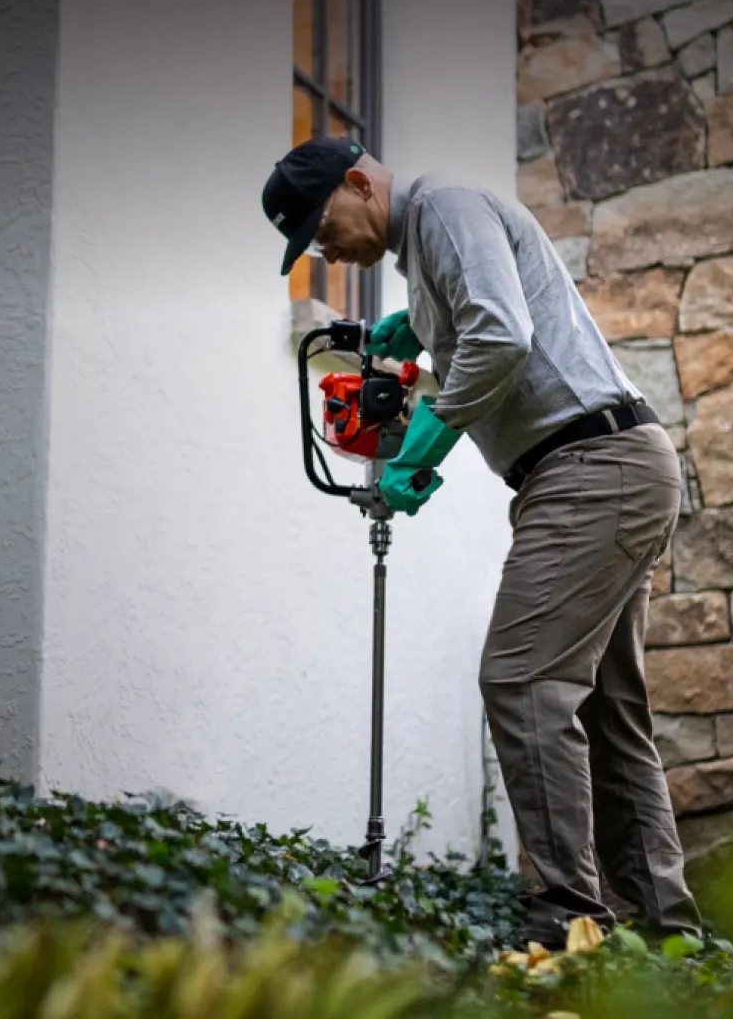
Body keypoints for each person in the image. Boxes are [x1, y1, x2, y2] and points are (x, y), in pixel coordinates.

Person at [260, 134, 704, 950]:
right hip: (606, 467)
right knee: (606, 710)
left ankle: (568, 924)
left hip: (591, 466)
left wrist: (424, 444)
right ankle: (671, 941)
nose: (323, 251)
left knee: (521, 677)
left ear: (360, 183)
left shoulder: (443, 210)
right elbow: (483, 320)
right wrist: (415, 330)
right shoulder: (429, 246)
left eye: (321, 230)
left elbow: (501, 335)